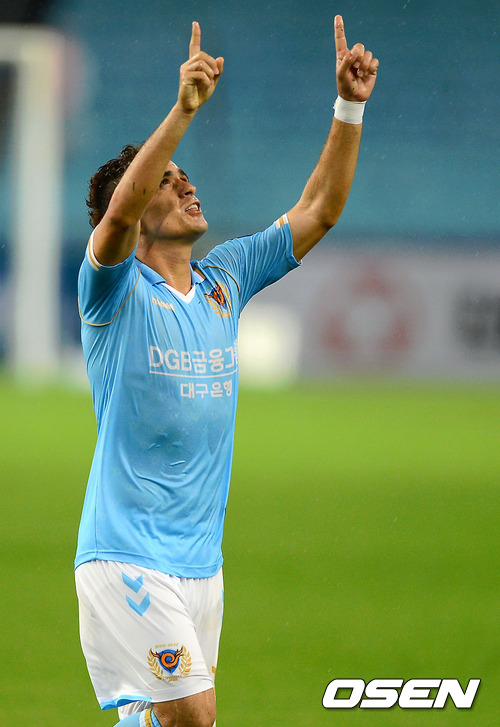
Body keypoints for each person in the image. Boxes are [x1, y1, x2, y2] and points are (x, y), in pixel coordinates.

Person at [75, 15, 378, 727]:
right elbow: (116, 219)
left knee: (163, 719)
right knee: (195, 715)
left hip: (201, 563)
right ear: (137, 208)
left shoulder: (226, 280)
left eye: (186, 178)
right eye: (168, 182)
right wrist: (183, 112)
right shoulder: (112, 290)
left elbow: (319, 209)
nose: (188, 188)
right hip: (127, 554)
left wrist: (348, 106)